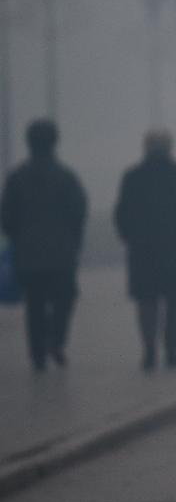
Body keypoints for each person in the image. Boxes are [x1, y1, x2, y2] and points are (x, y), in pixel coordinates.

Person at [114, 130, 176, 370]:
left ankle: (149, 350)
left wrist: (129, 237)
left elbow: (121, 214)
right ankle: (173, 350)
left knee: (147, 301)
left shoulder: (133, 177)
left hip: (142, 250)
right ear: (170, 147)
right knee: (175, 301)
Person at [0, 119, 88, 372]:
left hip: (28, 253)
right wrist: (74, 240)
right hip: (61, 252)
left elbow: (6, 217)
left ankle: (37, 353)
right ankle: (56, 339)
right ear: (54, 142)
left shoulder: (16, 178)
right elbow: (79, 212)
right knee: (65, 296)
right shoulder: (66, 177)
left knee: (34, 303)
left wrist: (19, 237)